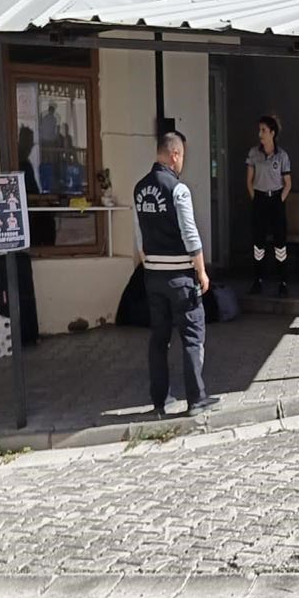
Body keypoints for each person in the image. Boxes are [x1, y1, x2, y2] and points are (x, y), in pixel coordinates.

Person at [132, 132, 217, 418]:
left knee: (159, 339)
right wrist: (202, 271)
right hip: (181, 276)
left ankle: (160, 401)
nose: (182, 164)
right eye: (182, 158)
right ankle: (196, 399)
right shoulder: (179, 190)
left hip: (153, 275)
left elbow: (138, 234)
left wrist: (148, 263)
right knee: (193, 336)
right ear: (175, 155)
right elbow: (190, 233)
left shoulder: (139, 189)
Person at [246, 115, 293, 297]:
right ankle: (258, 280)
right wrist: (255, 198)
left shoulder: (282, 155)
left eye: (264, 131)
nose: (260, 134)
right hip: (259, 199)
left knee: (280, 243)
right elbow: (249, 181)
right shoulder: (254, 154)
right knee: (259, 243)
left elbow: (288, 182)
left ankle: (282, 281)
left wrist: (279, 199)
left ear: (272, 133)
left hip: (276, 200)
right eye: (260, 130)